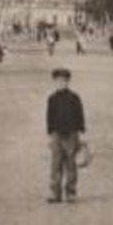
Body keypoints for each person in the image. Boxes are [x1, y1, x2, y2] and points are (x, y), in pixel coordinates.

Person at [45, 67, 86, 203]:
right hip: (56, 134)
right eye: (58, 81)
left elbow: (80, 116)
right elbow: (49, 117)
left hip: (71, 134)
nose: (61, 83)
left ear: (68, 82)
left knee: (70, 164)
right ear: (54, 82)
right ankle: (55, 192)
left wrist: (81, 133)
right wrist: (50, 134)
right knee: (55, 165)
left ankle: (71, 191)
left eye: (64, 81)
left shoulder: (74, 98)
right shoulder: (52, 99)